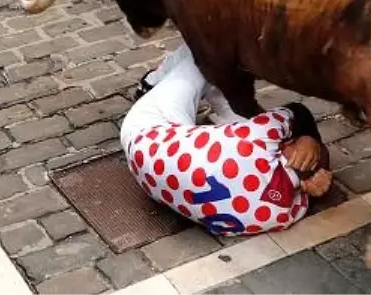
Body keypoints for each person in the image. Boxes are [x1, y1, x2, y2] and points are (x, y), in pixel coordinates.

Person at [122, 44, 333, 237]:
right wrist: (313, 188)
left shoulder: (258, 142)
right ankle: (221, 102)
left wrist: (308, 136)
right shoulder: (280, 215)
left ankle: (153, 82)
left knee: (210, 50)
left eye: (291, 140)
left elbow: (298, 111)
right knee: (227, 118)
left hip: (147, 129)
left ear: (285, 146)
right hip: (150, 170)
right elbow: (298, 192)